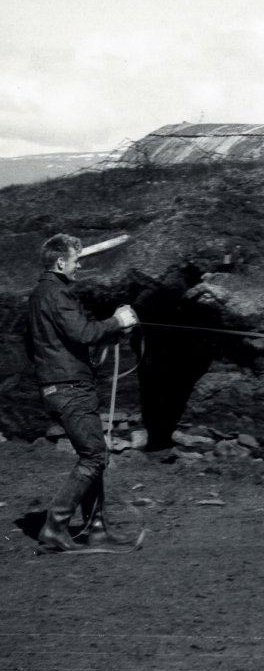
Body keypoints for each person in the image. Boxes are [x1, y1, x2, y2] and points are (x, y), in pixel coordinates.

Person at [26, 233, 139, 551]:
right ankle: (55, 527)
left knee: (93, 455)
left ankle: (98, 529)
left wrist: (112, 331)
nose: (80, 266)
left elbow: (67, 340)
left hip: (60, 386)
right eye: (77, 260)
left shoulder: (39, 295)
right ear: (61, 262)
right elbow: (83, 332)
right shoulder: (58, 294)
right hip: (70, 389)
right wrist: (117, 322)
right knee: (93, 457)